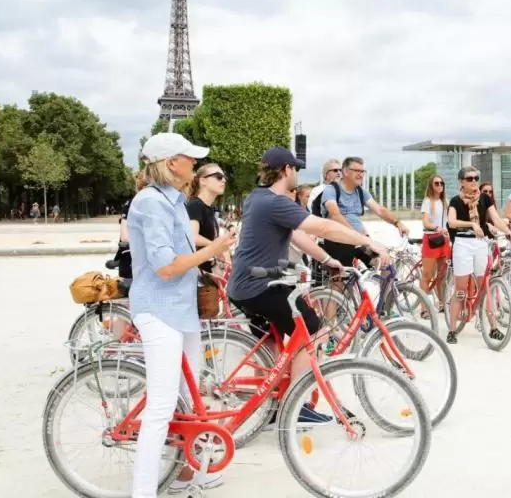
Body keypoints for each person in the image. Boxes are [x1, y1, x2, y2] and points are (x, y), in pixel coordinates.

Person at [227, 147, 390, 418]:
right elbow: (324, 227)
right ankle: (296, 407)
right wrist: (367, 241)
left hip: (243, 285)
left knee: (272, 345)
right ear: (286, 170)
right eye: (296, 169)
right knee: (314, 331)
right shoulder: (276, 203)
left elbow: (295, 235)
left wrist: (327, 258)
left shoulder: (257, 198)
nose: (297, 174)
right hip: (261, 287)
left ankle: (268, 406)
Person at [126, 133, 237, 497]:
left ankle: (187, 473)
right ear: (172, 162)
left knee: (188, 400)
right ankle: (143, 491)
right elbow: (164, 266)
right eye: (189, 158)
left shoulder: (172, 200)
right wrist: (213, 250)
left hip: (179, 307)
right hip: (159, 308)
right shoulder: (151, 204)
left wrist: (209, 264)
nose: (194, 163)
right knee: (161, 406)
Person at [445, 166, 511, 344]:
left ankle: (493, 327)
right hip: (463, 243)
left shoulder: (485, 198)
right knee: (461, 289)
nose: (474, 181)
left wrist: (508, 231)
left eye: (476, 178)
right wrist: (471, 225)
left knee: (484, 286)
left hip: (481, 244)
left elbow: (496, 218)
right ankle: (452, 329)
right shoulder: (455, 200)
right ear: (461, 182)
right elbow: (451, 222)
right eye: (469, 179)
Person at [187, 163, 229, 275]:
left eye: (225, 177)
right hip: (196, 277)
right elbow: (193, 236)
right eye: (218, 177)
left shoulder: (208, 208)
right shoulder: (195, 205)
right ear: (202, 181)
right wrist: (216, 246)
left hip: (206, 274)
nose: (224, 180)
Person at [419, 175, 451, 318]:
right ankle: (423, 308)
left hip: (443, 240)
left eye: (441, 183)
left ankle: (442, 303)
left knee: (442, 275)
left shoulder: (445, 202)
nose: (439, 185)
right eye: (436, 183)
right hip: (431, 239)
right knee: (427, 275)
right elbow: (425, 222)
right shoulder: (428, 201)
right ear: (431, 186)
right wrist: (437, 227)